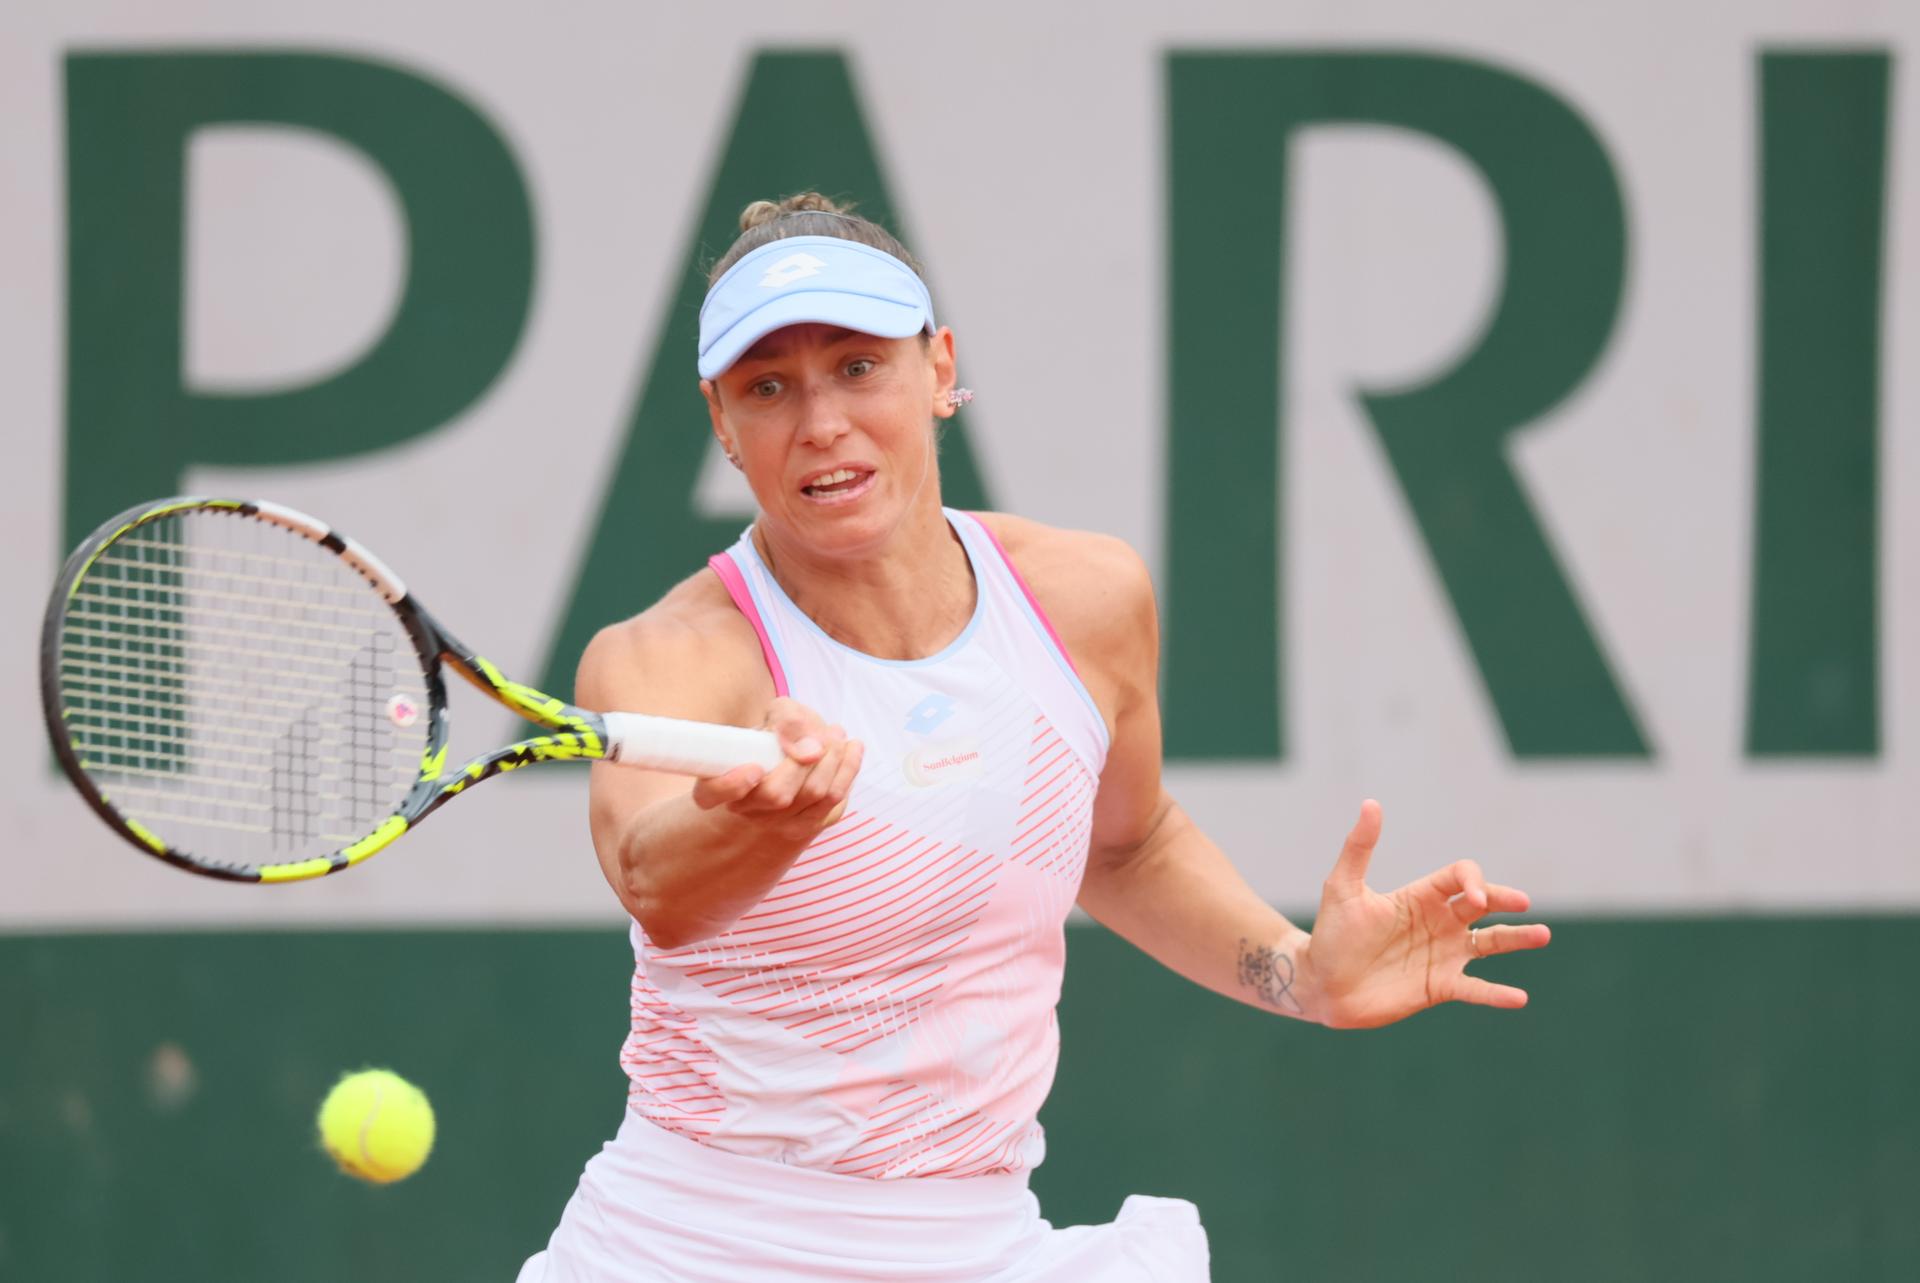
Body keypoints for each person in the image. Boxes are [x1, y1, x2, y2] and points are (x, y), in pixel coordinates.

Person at [519, 193, 1550, 1282]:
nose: (819, 421)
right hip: (691, 1248)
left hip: (977, 1246)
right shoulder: (668, 658)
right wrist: (769, 821)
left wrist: (1301, 973)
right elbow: (656, 884)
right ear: (723, 423)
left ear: (939, 367)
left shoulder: (1086, 597)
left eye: (858, 366)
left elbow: (1125, 846)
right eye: (767, 387)